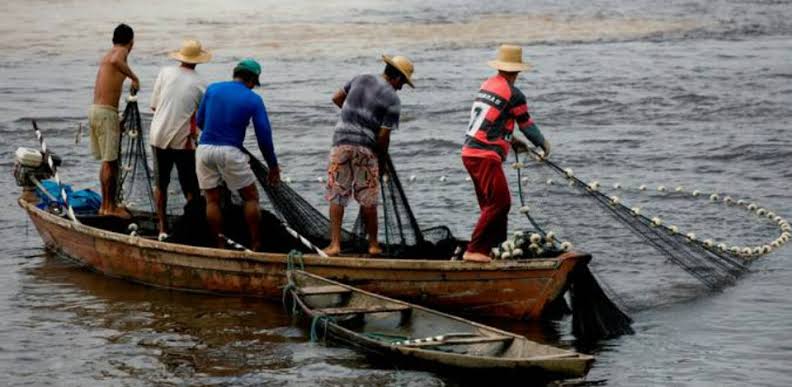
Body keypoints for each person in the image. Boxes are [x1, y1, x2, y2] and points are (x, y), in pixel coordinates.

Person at [461, 44, 551, 263]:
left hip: (469, 152)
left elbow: (492, 121)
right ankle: (474, 250)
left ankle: (493, 248)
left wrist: (512, 142)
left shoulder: (488, 85)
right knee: (500, 204)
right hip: (486, 156)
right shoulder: (514, 94)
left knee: (490, 205)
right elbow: (526, 125)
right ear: (518, 71)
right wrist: (544, 144)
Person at [323, 55, 415, 257]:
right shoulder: (393, 99)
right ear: (397, 78)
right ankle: (373, 245)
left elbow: (337, 98)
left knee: (337, 194)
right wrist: (381, 161)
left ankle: (335, 245)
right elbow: (383, 137)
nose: (401, 88)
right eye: (403, 84)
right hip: (366, 148)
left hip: (341, 143)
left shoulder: (360, 78)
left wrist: (354, 116)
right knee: (368, 198)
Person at [195, 58, 280, 251]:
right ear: (252, 80)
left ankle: (220, 245)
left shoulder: (213, 89)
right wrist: (272, 166)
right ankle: (256, 245)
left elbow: (200, 121)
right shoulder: (253, 99)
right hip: (230, 152)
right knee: (250, 198)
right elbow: (264, 136)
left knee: (212, 200)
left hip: (204, 148)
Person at [149, 39, 212, 240]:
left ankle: (162, 228)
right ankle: (191, 228)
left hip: (157, 135)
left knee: (161, 184)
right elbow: (203, 118)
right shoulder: (201, 83)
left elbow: (154, 106)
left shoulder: (165, 73)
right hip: (182, 141)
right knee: (191, 188)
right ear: (198, 60)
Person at [89, 23, 140, 218]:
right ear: (131, 42)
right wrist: (134, 78)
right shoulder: (119, 53)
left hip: (98, 111)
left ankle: (106, 206)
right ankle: (109, 208)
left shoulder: (107, 55)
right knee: (110, 162)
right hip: (104, 113)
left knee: (108, 161)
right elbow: (117, 60)